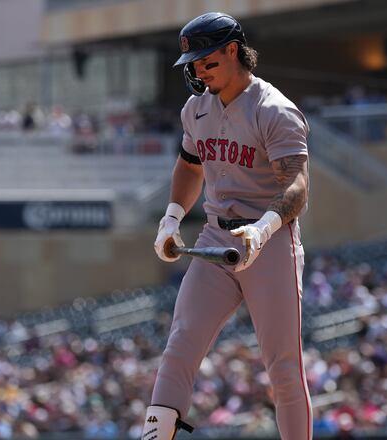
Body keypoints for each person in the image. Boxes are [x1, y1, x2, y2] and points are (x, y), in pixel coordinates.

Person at [145, 12, 312, 440]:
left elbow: (297, 185)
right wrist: (171, 218)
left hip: (268, 241)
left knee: (284, 368)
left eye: (207, 61)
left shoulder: (274, 109)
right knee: (180, 345)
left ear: (232, 50)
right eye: (193, 65)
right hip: (215, 235)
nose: (199, 71)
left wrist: (264, 228)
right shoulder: (195, 108)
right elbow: (188, 165)